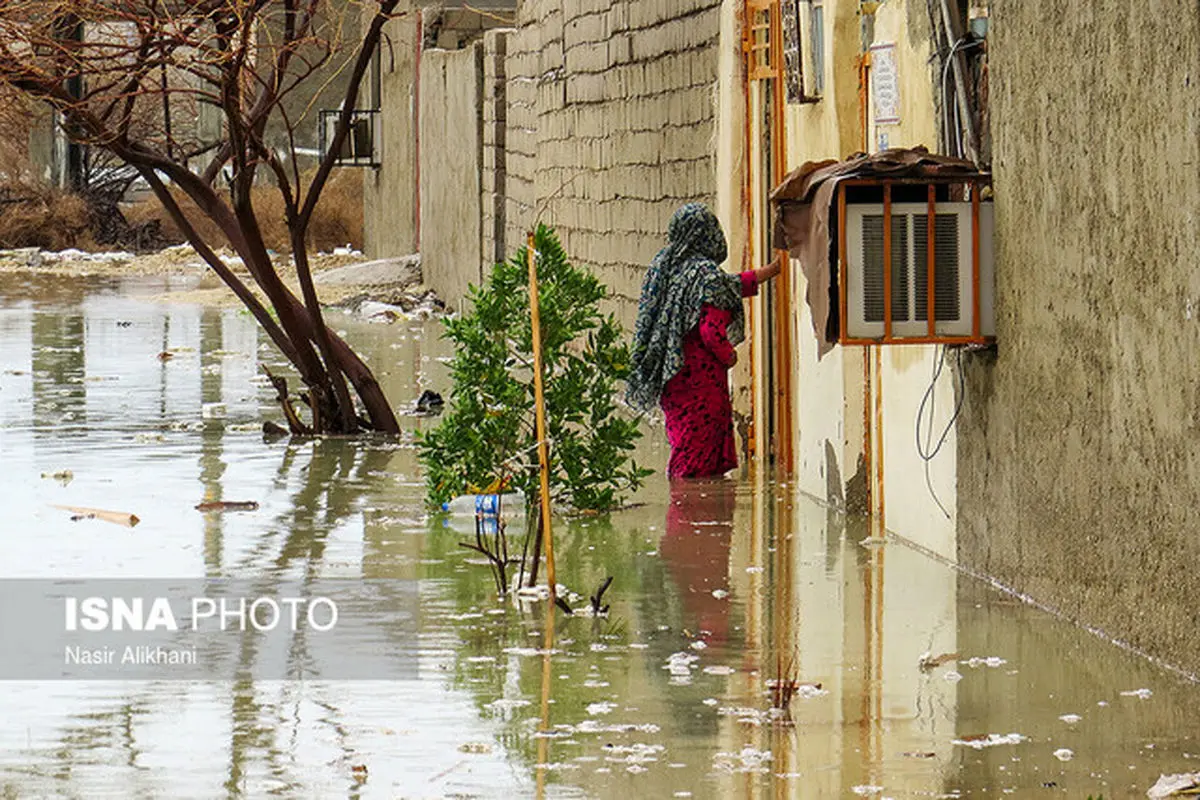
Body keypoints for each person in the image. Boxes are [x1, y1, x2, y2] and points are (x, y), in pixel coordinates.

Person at [626, 202, 781, 478]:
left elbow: (728, 285)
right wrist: (729, 356)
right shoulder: (705, 273)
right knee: (698, 454)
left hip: (671, 374)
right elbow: (711, 330)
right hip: (701, 380)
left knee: (683, 444)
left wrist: (772, 270)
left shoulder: (664, 267)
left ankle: (684, 503)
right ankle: (689, 502)